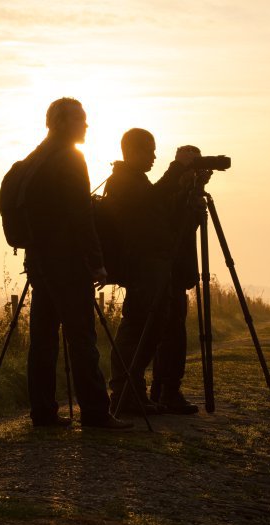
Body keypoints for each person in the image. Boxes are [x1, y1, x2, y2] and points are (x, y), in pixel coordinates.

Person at [23, 97, 132, 430]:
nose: (86, 125)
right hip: (67, 264)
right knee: (82, 338)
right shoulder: (70, 158)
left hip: (38, 262)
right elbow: (81, 215)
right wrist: (97, 262)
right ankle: (96, 413)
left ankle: (43, 413)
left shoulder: (34, 158)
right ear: (62, 122)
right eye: (80, 119)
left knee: (42, 339)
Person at [102, 129, 195, 415]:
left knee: (149, 329)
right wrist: (177, 168)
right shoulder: (123, 181)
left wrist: (184, 192)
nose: (155, 156)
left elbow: (159, 213)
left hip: (151, 265)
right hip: (141, 267)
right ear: (132, 151)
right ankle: (125, 392)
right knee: (138, 328)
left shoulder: (135, 179)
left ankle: (133, 392)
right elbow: (151, 203)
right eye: (149, 150)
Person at [150, 146, 210, 415]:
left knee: (170, 331)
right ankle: (168, 391)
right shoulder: (165, 193)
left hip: (173, 271)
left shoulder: (181, 193)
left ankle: (161, 390)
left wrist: (196, 192)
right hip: (167, 271)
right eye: (191, 164)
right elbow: (173, 231)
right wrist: (190, 199)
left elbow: (184, 230)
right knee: (172, 332)